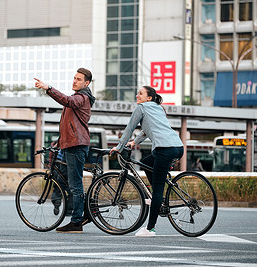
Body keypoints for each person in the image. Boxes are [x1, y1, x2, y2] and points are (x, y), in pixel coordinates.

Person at [110, 86, 184, 237]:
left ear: (149, 98)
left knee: (157, 189)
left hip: (164, 149)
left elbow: (129, 128)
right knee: (146, 162)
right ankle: (156, 198)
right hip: (178, 147)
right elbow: (147, 129)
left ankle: (150, 229)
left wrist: (119, 147)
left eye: (141, 93)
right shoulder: (159, 108)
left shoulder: (141, 108)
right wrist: (134, 142)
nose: (137, 95)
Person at [34, 68, 95, 233]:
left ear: (86, 83)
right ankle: (83, 214)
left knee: (75, 185)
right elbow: (69, 126)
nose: (74, 81)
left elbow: (66, 101)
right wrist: (59, 142)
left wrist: (48, 88)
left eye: (79, 79)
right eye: (74, 78)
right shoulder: (78, 97)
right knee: (73, 183)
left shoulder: (82, 97)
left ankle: (76, 222)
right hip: (71, 144)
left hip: (76, 146)